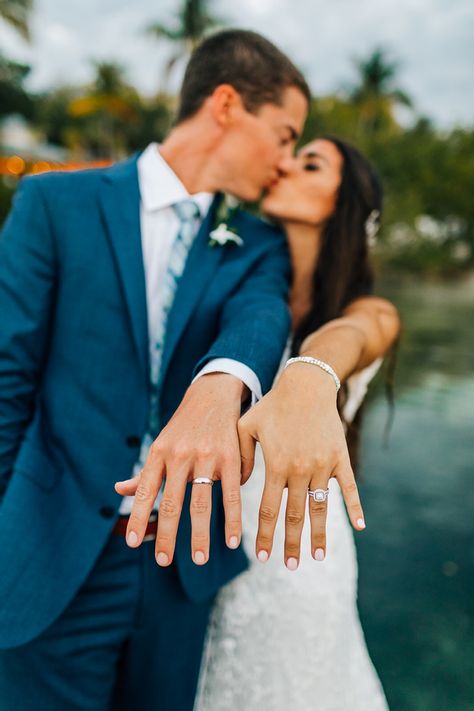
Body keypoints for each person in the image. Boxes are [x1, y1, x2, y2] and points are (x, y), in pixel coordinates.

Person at [0, 30, 309, 711]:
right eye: (284, 134)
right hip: (48, 550)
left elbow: (260, 320)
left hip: (180, 571)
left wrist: (219, 385)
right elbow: (6, 377)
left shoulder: (257, 243)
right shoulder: (54, 205)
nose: (286, 162)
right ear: (227, 104)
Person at [195, 137, 400, 710]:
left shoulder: (368, 311)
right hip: (213, 551)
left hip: (298, 557)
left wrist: (311, 373)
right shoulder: (242, 298)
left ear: (345, 205)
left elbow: (349, 338)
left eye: (310, 163)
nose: (282, 163)